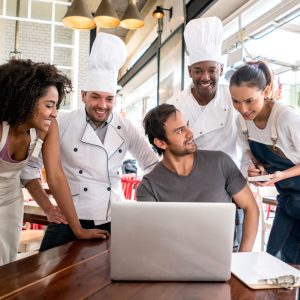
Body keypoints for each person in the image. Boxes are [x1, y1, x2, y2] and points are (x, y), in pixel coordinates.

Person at [23, 32, 158, 251]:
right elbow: (29, 170)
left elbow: (152, 165)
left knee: (113, 279)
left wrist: (144, 206)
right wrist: (48, 208)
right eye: (95, 96)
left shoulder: (127, 128)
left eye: (109, 98)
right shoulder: (61, 122)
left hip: (116, 218)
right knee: (51, 280)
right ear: (83, 95)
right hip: (70, 218)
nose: (102, 105)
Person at [0, 59, 108, 265]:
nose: (54, 113)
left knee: (5, 264)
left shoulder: (48, 128)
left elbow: (56, 177)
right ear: (26, 100)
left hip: (10, 203)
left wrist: (78, 230)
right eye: (48, 105)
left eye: (56, 106)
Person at [136, 104, 259, 252]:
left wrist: (243, 256)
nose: (190, 133)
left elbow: (250, 207)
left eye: (186, 125)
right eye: (180, 131)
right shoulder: (148, 187)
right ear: (161, 143)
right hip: (176, 262)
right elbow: (153, 237)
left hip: (224, 258)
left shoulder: (220, 162)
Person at [167, 17, 244, 245]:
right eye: (198, 70)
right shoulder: (175, 104)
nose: (205, 77)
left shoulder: (233, 101)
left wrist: (250, 171)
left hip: (228, 190)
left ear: (221, 68)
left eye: (212, 70)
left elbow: (246, 142)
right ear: (189, 70)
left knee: (229, 254)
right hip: (187, 190)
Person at [230, 60, 300, 264]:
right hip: (288, 200)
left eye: (250, 101)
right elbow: (246, 154)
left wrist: (283, 175)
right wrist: (253, 169)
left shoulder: (286, 118)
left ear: (266, 90)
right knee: (274, 261)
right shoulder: (242, 121)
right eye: (236, 101)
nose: (243, 109)